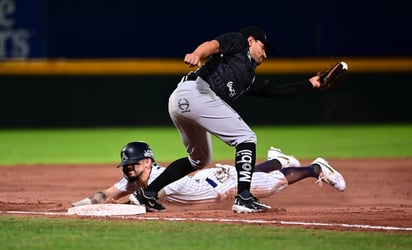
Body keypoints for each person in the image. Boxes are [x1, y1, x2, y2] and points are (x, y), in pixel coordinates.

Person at [134, 26, 341, 213]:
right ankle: (244, 198)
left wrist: (312, 83)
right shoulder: (239, 42)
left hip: (180, 101)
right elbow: (212, 45)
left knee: (199, 159)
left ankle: (148, 193)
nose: (265, 53)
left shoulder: (248, 77)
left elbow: (277, 92)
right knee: (246, 137)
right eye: (263, 47)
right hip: (196, 92)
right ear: (251, 40)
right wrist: (197, 54)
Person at [72, 142, 346, 213]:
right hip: (210, 181)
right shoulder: (135, 181)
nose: (128, 168)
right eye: (125, 165)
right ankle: (278, 159)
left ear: (146, 161)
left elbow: (133, 204)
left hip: (223, 184)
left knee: (275, 184)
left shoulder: (158, 176)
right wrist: (80, 206)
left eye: (132, 164)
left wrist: (119, 205)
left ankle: (316, 169)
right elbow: (107, 195)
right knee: (252, 173)